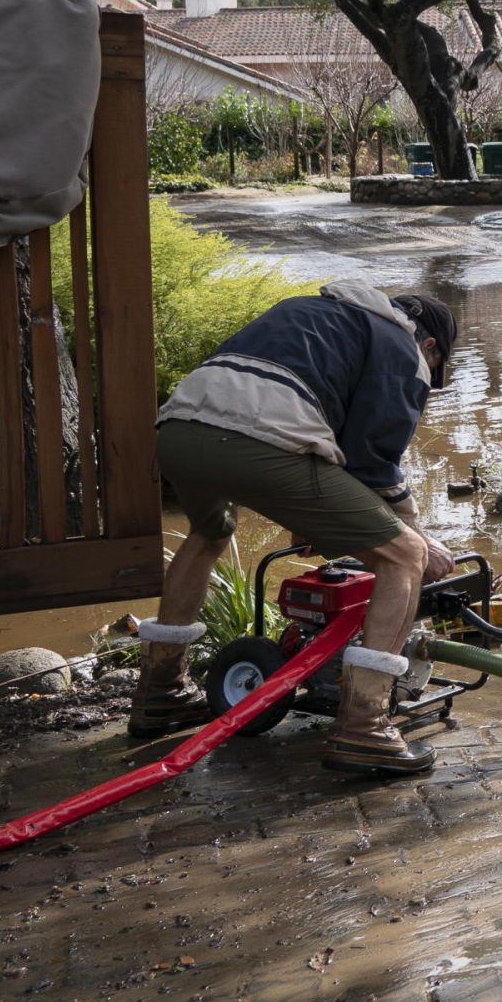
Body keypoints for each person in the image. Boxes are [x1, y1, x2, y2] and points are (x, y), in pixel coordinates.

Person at [131, 282, 461, 777]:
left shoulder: (310, 310)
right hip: (256, 443)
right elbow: (374, 463)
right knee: (403, 556)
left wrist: (315, 517)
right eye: (432, 374)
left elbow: (291, 405)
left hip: (179, 432)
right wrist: (417, 535)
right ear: (430, 347)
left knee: (210, 534)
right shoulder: (402, 346)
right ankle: (365, 727)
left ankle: (161, 692)